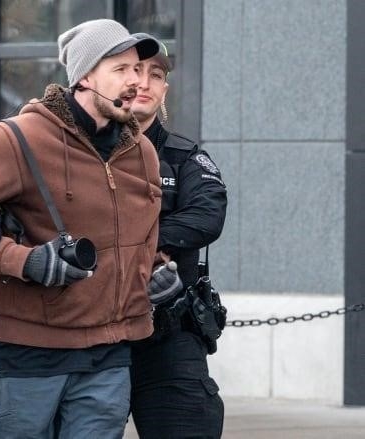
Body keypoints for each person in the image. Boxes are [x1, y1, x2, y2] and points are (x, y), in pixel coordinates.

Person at [0, 19, 164, 438]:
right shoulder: (13, 140)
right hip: (31, 356)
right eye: (121, 70)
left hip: (110, 355)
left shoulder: (142, 151)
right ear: (84, 76)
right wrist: (26, 262)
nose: (136, 81)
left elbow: (141, 238)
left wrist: (158, 272)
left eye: (139, 69)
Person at [128, 32, 228, 438]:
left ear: (164, 90)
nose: (145, 82)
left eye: (156, 75)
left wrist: (131, 243)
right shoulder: (74, 156)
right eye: (135, 71)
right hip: (88, 337)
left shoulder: (185, 156)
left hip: (168, 334)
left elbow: (207, 217)